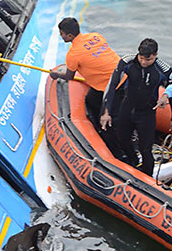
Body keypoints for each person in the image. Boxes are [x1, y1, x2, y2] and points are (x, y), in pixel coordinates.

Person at [99, 38, 172, 176]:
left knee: (145, 149)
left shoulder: (164, 70)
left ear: (155, 55)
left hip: (147, 112)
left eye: (148, 59)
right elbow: (112, 85)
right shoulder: (127, 61)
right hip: (127, 107)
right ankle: (133, 161)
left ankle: (147, 176)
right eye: (141, 58)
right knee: (122, 139)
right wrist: (106, 111)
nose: (143, 62)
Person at [49, 17, 124, 156]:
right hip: (122, 76)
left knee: (109, 122)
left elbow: (69, 76)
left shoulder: (73, 54)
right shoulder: (96, 36)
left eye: (62, 34)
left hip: (110, 88)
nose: (61, 36)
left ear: (70, 36)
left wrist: (56, 75)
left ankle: (117, 150)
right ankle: (96, 124)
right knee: (91, 99)